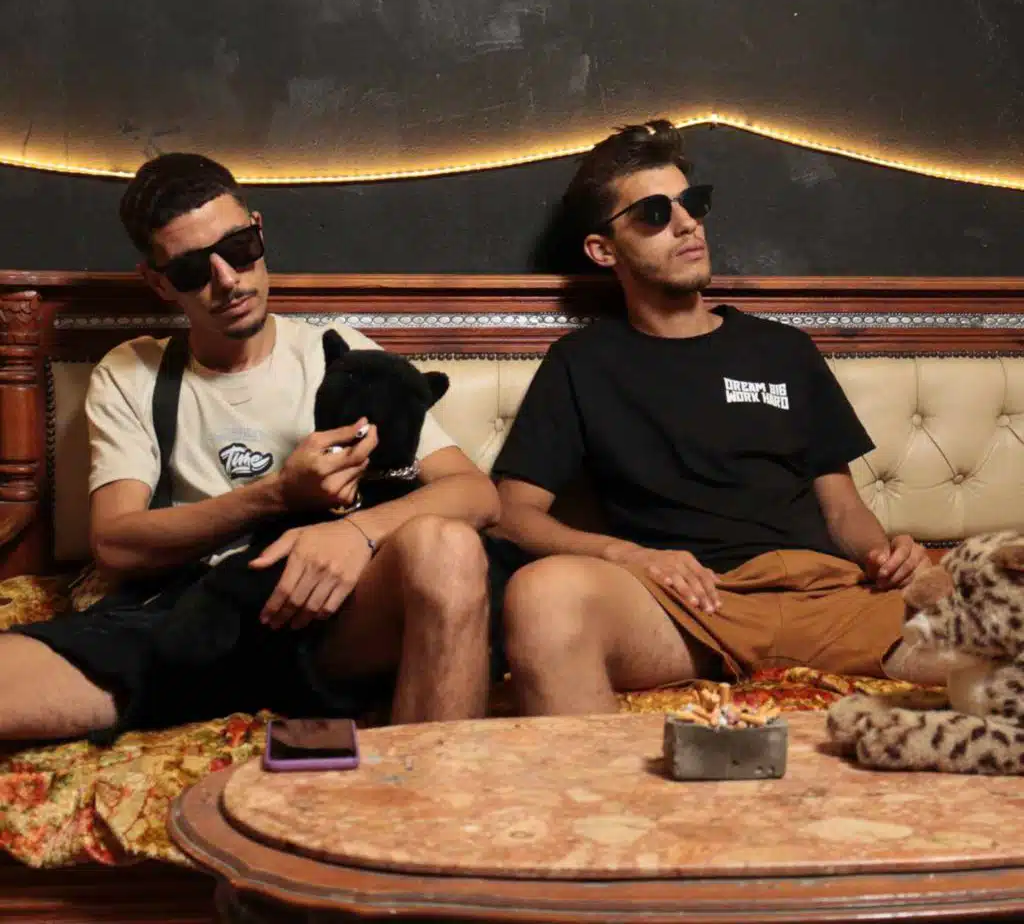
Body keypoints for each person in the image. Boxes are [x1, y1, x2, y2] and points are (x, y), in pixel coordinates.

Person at [0, 153, 499, 742]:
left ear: (258, 232)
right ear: (159, 282)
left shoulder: (335, 354)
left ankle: (429, 796)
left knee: (447, 547)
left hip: (321, 617)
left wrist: (356, 532)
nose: (228, 280)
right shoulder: (135, 371)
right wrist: (276, 495)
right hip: (191, 621)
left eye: (238, 249)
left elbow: (476, 493)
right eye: (192, 269)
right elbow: (116, 544)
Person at [489, 120, 940, 716]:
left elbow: (842, 508)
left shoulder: (783, 350)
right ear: (603, 250)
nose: (687, 224)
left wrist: (888, 555)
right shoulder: (581, 363)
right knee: (543, 596)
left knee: (1001, 591)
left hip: (829, 595)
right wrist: (627, 555)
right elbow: (510, 516)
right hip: (693, 607)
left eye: (692, 203)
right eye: (654, 214)